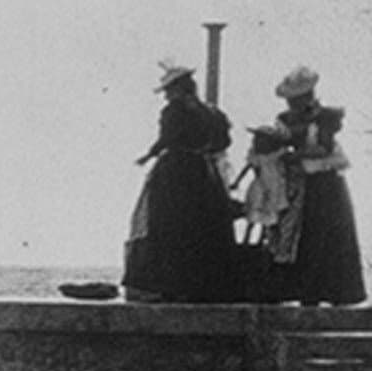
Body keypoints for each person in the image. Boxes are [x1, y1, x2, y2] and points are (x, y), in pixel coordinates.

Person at [122, 61, 241, 303]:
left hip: (175, 171)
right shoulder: (213, 112)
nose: (166, 96)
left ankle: (171, 284)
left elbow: (167, 138)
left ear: (176, 89)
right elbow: (224, 142)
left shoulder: (174, 111)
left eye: (168, 91)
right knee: (205, 225)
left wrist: (149, 155)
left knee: (169, 224)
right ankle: (204, 284)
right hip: (205, 173)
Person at [267, 66, 366, 306]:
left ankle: (334, 291)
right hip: (299, 183)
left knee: (327, 234)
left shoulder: (327, 117)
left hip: (325, 182)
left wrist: (296, 155)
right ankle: (304, 291)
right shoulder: (286, 119)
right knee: (300, 236)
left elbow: (324, 148)